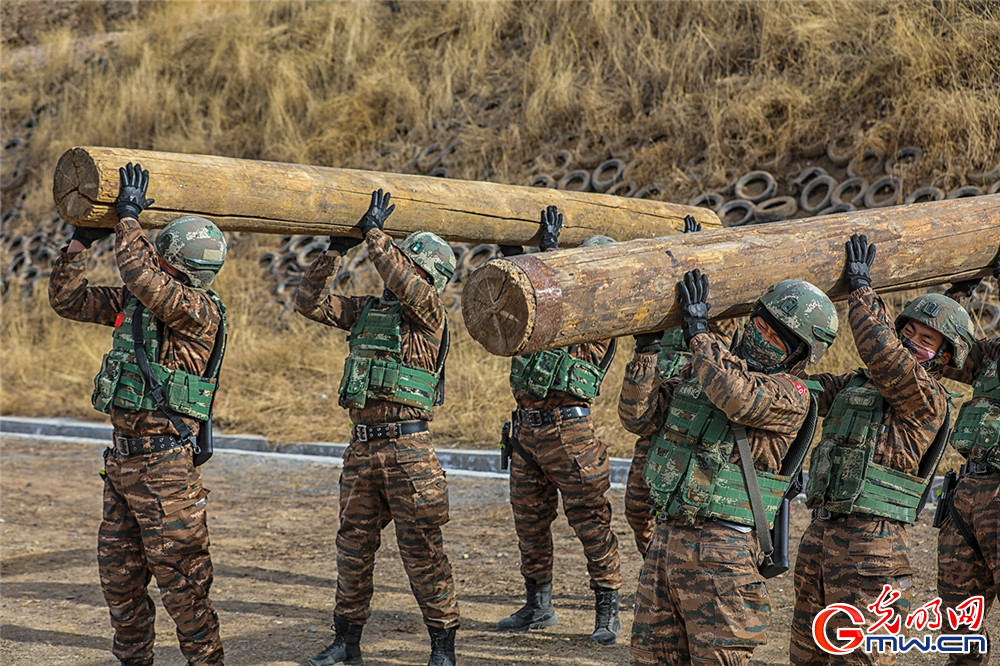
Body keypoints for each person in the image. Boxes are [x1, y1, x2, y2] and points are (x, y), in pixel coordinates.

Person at [49, 163, 228, 665]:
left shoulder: (196, 310)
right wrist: (79, 243)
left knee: (185, 593)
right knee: (121, 588)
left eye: (165, 261)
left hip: (166, 470)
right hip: (124, 466)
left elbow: (139, 273)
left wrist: (128, 217)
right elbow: (69, 300)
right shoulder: (143, 304)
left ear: (180, 265)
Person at [619, 267, 839, 665]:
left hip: (725, 555)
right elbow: (639, 418)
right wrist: (646, 353)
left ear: (799, 355)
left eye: (778, 339)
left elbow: (736, 397)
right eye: (761, 325)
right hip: (667, 544)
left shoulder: (792, 394)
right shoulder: (704, 369)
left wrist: (700, 334)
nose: (763, 338)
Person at [790, 234, 972, 665]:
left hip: (874, 548)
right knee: (806, 655)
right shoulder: (857, 386)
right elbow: (800, 391)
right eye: (906, 331)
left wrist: (861, 289)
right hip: (821, 534)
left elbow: (881, 349)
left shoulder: (924, 396)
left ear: (943, 359)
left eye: (925, 341)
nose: (910, 342)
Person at [295, 189, 459, 666]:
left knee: (423, 552)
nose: (395, 278)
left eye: (410, 267)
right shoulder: (368, 311)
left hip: (410, 452)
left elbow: (406, 284)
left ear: (426, 276)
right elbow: (310, 302)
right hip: (362, 450)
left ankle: (442, 647)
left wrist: (375, 234)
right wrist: (333, 251)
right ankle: (346, 642)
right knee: (353, 549)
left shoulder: (429, 314)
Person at [494, 207, 622, 645]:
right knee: (529, 523)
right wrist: (515, 263)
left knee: (590, 522)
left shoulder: (605, 311)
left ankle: (607, 608)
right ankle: (538, 604)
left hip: (570, 435)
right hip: (527, 432)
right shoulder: (555, 299)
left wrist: (546, 255)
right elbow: (526, 311)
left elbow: (561, 313)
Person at [623, 215, 741, 557]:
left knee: (685, 509)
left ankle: (669, 569)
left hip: (692, 426)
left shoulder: (714, 318)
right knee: (636, 506)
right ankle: (654, 564)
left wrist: (697, 255)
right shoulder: (662, 310)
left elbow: (716, 334)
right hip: (657, 422)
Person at [935, 249, 1000, 665]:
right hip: (968, 491)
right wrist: (961, 288)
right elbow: (947, 355)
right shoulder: (993, 352)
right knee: (958, 621)